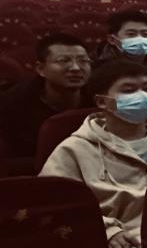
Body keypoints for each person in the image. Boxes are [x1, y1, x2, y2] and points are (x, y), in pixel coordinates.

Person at [40, 59, 147, 248]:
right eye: (129, 91)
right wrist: (107, 231)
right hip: (123, 247)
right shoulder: (74, 149)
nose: (142, 96)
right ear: (102, 101)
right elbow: (55, 205)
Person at [0, 33, 91, 171]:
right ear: (41, 69)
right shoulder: (10, 104)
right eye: (63, 61)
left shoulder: (100, 96)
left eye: (83, 61)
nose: (76, 68)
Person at [93, 9, 147, 81]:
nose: (140, 39)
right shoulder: (98, 68)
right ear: (112, 40)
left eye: (145, 34)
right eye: (131, 34)